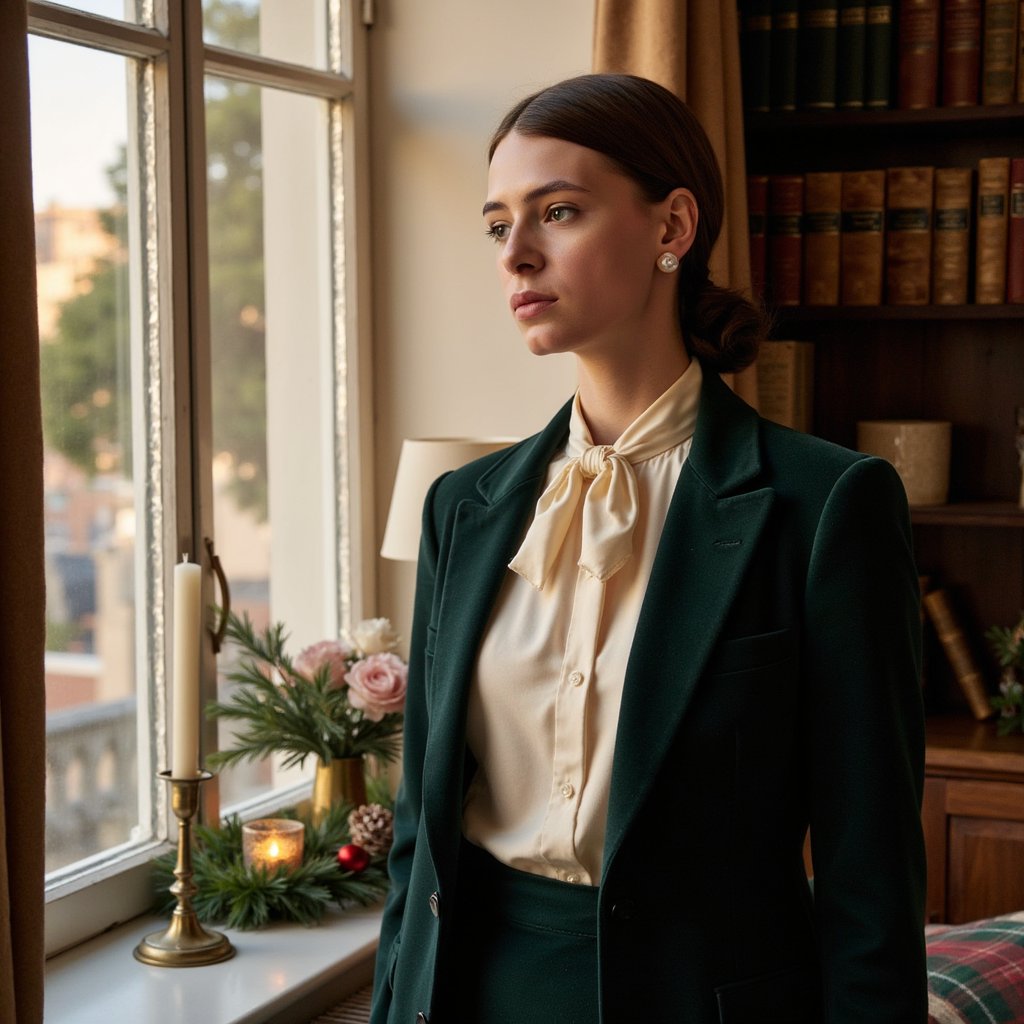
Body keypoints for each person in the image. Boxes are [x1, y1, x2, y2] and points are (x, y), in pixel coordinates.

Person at [370, 73, 926, 1024]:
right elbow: (419, 840)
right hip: (469, 992)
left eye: (559, 211)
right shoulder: (459, 508)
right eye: (500, 225)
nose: (520, 255)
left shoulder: (826, 503)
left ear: (673, 229)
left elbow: (868, 873)